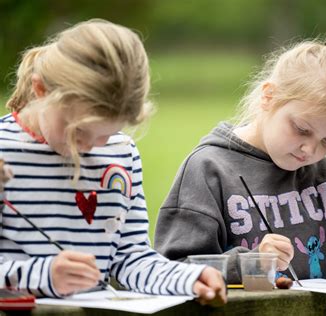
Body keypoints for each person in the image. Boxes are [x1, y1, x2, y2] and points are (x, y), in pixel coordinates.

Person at [154, 32, 326, 302]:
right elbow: (173, 267)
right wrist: (250, 264)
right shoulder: (209, 170)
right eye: (302, 129)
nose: (311, 150)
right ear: (269, 97)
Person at [0, 19, 226, 305]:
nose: (93, 146)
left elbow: (129, 257)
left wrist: (187, 278)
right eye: (78, 131)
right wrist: (44, 276)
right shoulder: (4, 152)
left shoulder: (120, 152)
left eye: (109, 133)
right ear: (41, 90)